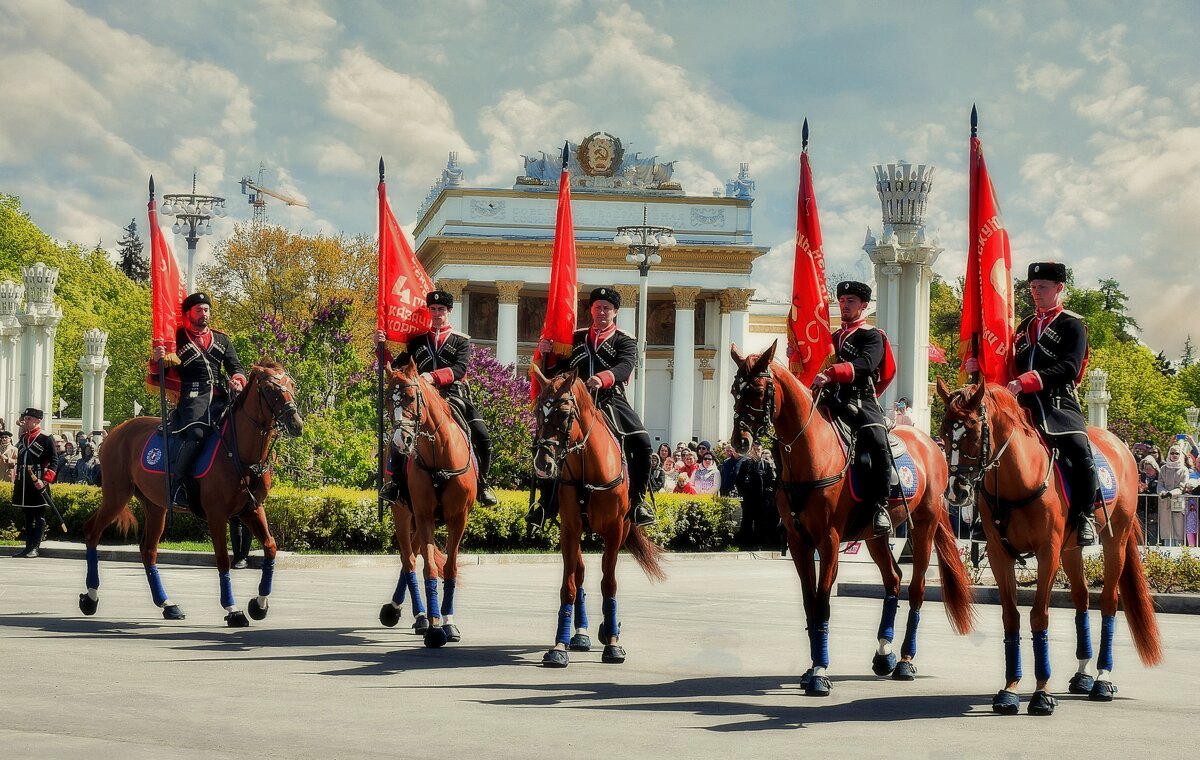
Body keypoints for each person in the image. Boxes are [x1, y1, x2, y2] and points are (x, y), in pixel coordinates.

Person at [965, 262, 1099, 545]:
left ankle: (1085, 515)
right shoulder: (1025, 326)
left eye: (1043, 287)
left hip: (1057, 404)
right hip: (1022, 406)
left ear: (1059, 288)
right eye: (1033, 287)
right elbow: (1008, 365)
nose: (1036, 292)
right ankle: (984, 515)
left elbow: (1070, 368)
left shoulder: (1072, 325)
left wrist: (1028, 380)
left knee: (1078, 449)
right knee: (985, 448)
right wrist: (980, 364)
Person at [534, 287, 654, 526]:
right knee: (544, 440)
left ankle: (639, 502)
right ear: (591, 310)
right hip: (574, 402)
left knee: (642, 442)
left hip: (609, 399)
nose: (602, 312)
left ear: (615, 312)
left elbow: (626, 366)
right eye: (598, 307)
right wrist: (546, 354)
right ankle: (545, 502)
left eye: (607, 308)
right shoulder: (576, 338)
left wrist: (604, 377)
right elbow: (556, 374)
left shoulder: (625, 339)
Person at [376, 289, 498, 507]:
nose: (436, 313)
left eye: (441, 309)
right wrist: (380, 347)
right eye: (432, 309)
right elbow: (396, 370)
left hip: (452, 396)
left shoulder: (461, 341)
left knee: (482, 435)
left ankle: (483, 484)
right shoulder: (417, 341)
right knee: (400, 432)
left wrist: (431, 377)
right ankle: (395, 483)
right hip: (419, 399)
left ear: (449, 310)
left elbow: (459, 370)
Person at [810, 280, 895, 537]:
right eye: (843, 300)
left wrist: (832, 372)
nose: (845, 305)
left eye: (851, 301)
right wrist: (799, 354)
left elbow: (866, 365)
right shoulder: (832, 338)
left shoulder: (872, 335)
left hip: (860, 401)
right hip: (829, 400)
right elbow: (813, 360)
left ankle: (880, 505)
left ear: (864, 306)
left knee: (877, 441)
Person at [150, 292, 247, 509]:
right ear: (188, 314)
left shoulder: (222, 339)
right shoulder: (176, 339)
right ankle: (177, 486)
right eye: (199, 310)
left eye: (206, 310)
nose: (204, 314)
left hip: (221, 397)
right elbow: (160, 375)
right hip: (192, 399)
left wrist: (237, 381)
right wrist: (157, 359)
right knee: (197, 434)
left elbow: (236, 368)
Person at [11, 408, 57, 558]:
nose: (26, 421)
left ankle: (35, 548)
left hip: (38, 481)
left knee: (39, 514)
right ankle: (27, 546)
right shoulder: (24, 438)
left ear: (38, 420)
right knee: (27, 515)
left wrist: (45, 481)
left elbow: (54, 461)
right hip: (24, 482)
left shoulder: (46, 438)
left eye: (29, 418)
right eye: (26, 418)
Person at [1157, 444, 1189, 547]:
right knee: (1166, 528)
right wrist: (1162, 493)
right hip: (1164, 501)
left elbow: (1182, 486)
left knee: (1178, 528)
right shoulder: (1163, 468)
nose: (1174, 455)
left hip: (1178, 502)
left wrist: (1171, 493)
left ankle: (1179, 550)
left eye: (1177, 453)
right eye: (1172, 453)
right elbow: (1160, 484)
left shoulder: (1184, 469)